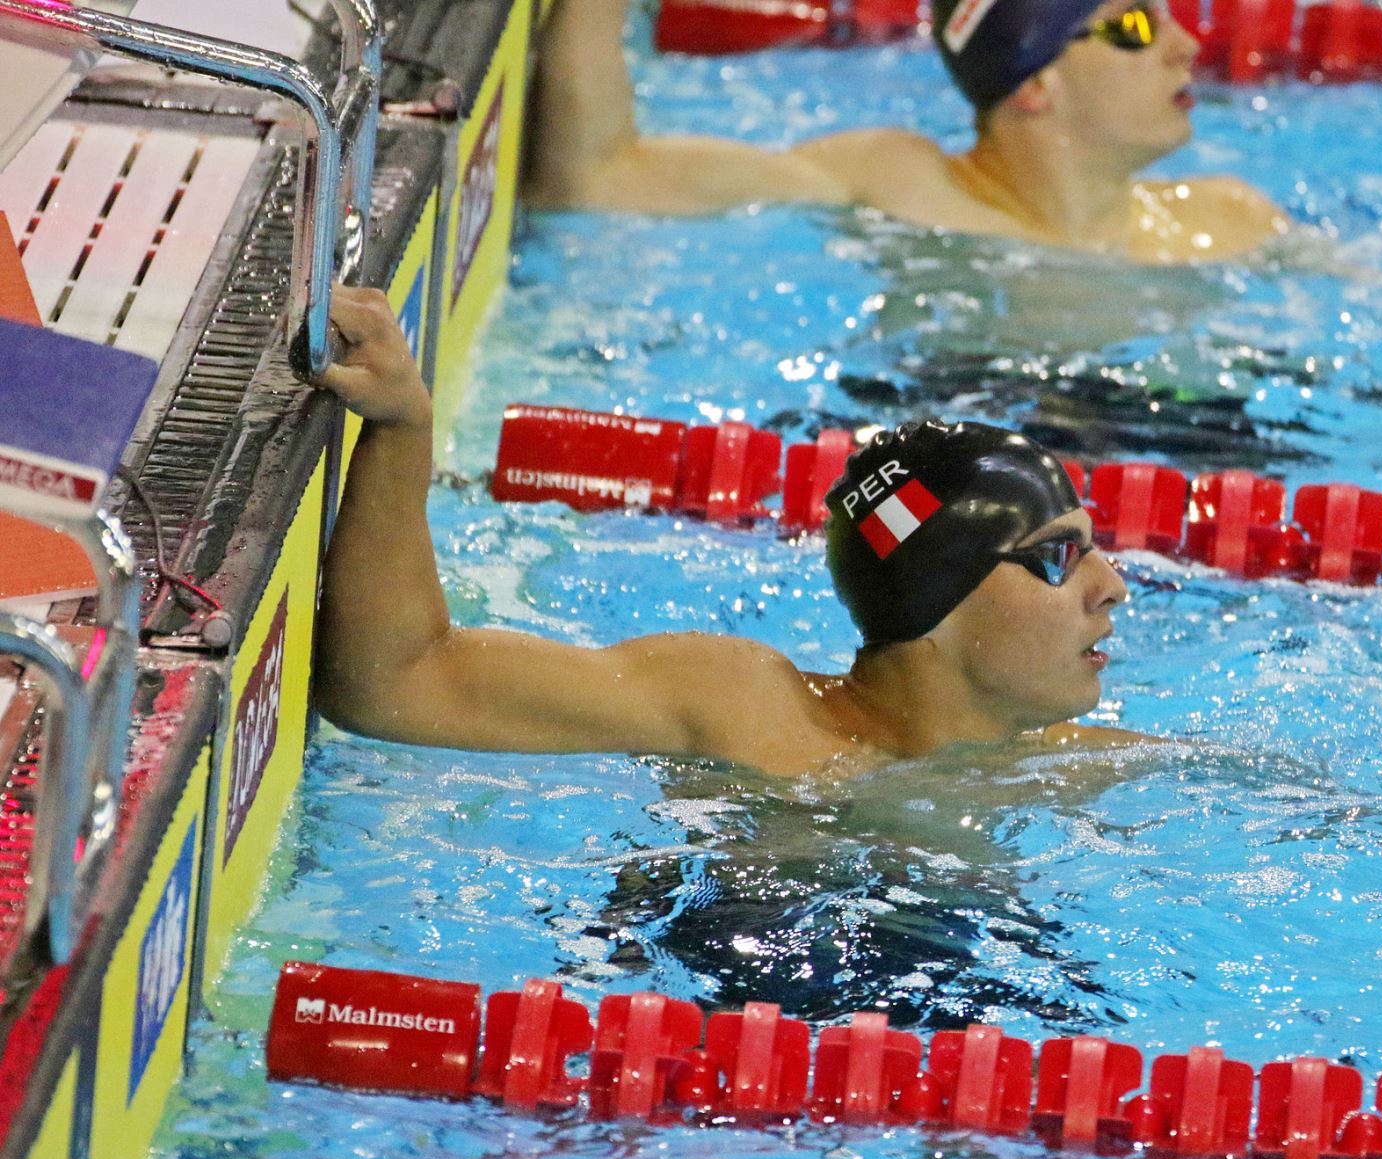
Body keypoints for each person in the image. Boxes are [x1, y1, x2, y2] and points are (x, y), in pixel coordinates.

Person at [315, 286, 1147, 777]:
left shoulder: (1060, 771)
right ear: (942, 597)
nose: (1112, 584)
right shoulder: (744, 711)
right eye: (1060, 556)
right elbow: (396, 682)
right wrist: (402, 431)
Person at [523, 0, 1290, 262]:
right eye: (1132, 23)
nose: (1186, 44)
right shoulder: (898, 185)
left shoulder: (1229, 222)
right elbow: (595, 179)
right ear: (1034, 84)